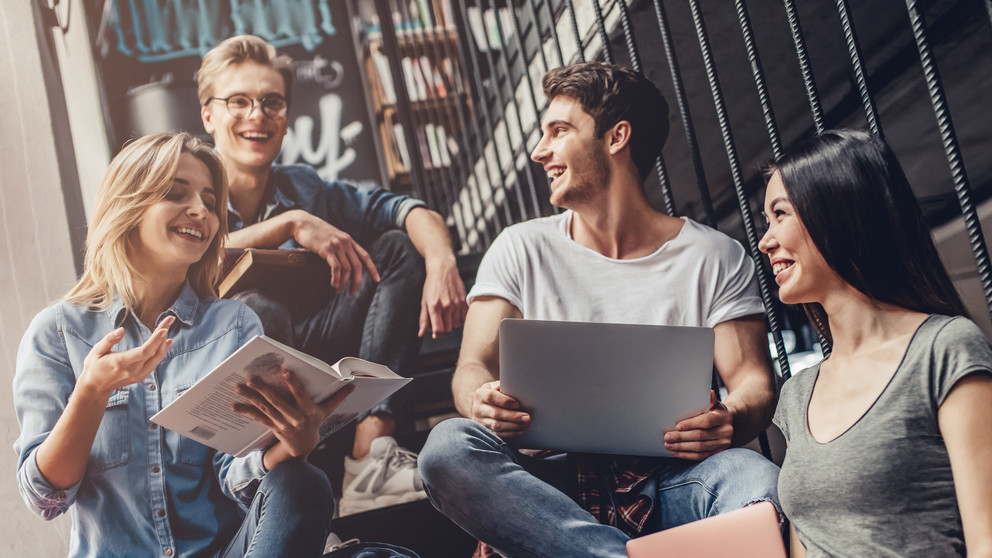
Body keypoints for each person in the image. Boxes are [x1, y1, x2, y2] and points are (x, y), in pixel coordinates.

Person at [417, 62, 781, 558]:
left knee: (756, 480)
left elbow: (755, 383)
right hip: (546, 489)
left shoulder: (713, 256)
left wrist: (732, 418)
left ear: (617, 137)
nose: (538, 152)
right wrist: (479, 399)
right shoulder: (519, 247)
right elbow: (471, 369)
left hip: (670, 478)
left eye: (559, 131)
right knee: (447, 448)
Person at [12, 132, 350, 557]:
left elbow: (234, 476)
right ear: (128, 204)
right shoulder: (57, 333)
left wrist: (293, 445)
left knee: (304, 481)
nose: (201, 211)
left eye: (211, 201)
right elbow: (45, 496)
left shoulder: (233, 326)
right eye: (175, 193)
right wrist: (91, 391)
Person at [197, 35, 469, 514]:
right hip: (233, 392)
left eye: (272, 102)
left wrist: (442, 260)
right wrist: (289, 224)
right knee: (254, 308)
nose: (257, 114)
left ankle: (370, 458)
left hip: (322, 359)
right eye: (238, 101)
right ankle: (271, 490)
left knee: (396, 248)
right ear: (208, 116)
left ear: (285, 117)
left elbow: (402, 209)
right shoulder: (188, 191)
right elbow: (180, 259)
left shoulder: (304, 185)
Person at [759, 129, 992, 557]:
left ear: (835, 211)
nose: (764, 240)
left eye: (780, 215)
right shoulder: (796, 396)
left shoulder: (943, 350)